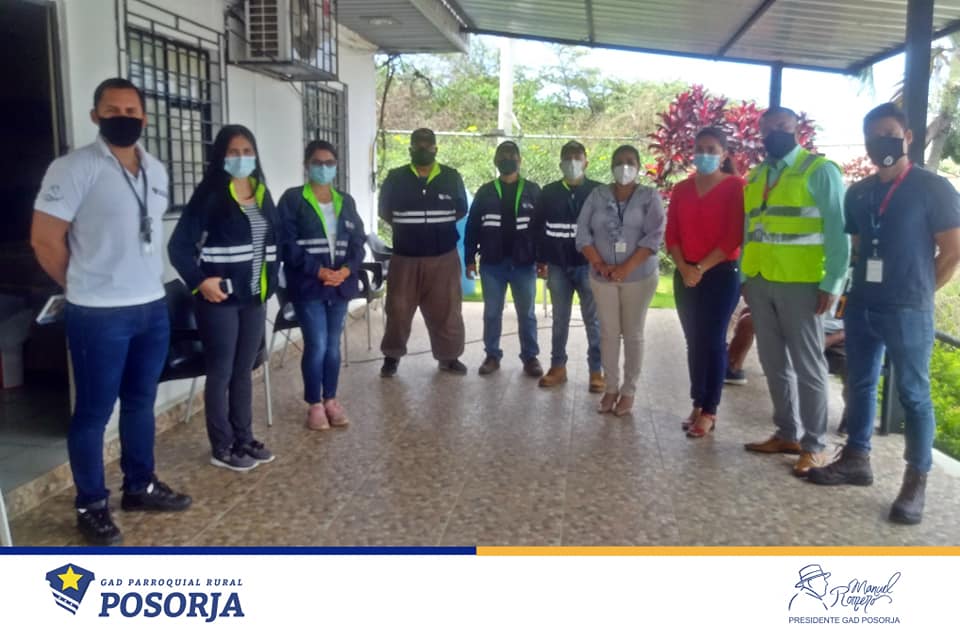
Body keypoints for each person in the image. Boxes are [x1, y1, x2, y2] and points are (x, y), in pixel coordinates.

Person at [31, 78, 191, 545]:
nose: (123, 117)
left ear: (144, 117)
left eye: (131, 110)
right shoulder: (73, 168)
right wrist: (81, 285)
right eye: (112, 110)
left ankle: (139, 485)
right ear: (95, 116)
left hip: (151, 307)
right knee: (94, 412)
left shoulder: (155, 169)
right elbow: (44, 240)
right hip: (99, 314)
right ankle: (92, 504)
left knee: (141, 402)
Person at [808, 103, 960, 525]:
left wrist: (918, 293)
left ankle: (916, 480)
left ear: (907, 137)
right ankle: (856, 458)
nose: (882, 142)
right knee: (858, 384)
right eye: (874, 136)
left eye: (890, 133)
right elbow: (859, 247)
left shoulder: (933, 188)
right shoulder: (858, 193)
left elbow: (952, 252)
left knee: (913, 394)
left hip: (908, 310)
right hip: (862, 305)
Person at [741, 106, 850, 478]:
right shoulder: (758, 175)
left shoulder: (819, 170)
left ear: (797, 128)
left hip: (803, 284)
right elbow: (751, 228)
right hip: (760, 280)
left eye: (783, 125)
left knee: (808, 365)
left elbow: (838, 231)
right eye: (767, 128)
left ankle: (814, 445)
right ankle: (786, 433)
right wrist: (745, 276)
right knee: (772, 363)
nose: (775, 132)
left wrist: (832, 283)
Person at [168, 125, 280, 472]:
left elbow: (272, 244)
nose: (241, 158)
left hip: (253, 299)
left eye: (247, 151)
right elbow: (178, 247)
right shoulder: (210, 196)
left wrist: (269, 287)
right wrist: (200, 282)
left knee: (243, 371)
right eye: (233, 152)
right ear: (220, 156)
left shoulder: (262, 194)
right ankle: (222, 446)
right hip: (219, 302)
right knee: (221, 372)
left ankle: (244, 438)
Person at [277, 141, 366, 430]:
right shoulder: (293, 200)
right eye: (318, 162)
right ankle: (314, 404)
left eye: (329, 163)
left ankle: (331, 399)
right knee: (316, 343)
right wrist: (318, 271)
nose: (324, 167)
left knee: (333, 346)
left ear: (336, 166)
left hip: (339, 284)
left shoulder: (346, 201)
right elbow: (286, 244)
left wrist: (346, 270)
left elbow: (358, 242)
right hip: (308, 285)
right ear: (307, 165)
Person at [666, 127, 745, 438]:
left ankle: (710, 409)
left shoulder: (736, 187)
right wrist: (684, 268)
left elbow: (733, 235)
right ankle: (697, 402)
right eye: (700, 148)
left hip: (720, 274)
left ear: (724, 154)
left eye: (712, 149)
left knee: (713, 340)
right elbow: (672, 234)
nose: (705, 154)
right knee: (694, 341)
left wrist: (699, 268)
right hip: (685, 273)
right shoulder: (681, 189)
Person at [575, 145, 665, 416]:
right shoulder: (597, 195)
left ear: (638, 166)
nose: (624, 167)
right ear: (611, 165)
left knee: (633, 334)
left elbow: (654, 235)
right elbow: (582, 232)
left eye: (630, 161)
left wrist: (626, 268)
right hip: (602, 276)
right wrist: (599, 264)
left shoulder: (649, 196)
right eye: (619, 161)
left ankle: (628, 391)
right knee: (609, 333)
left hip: (639, 276)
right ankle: (611, 388)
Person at [378, 128, 469, 377]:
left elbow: (461, 208)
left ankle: (449, 358)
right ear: (410, 149)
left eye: (428, 145)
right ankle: (391, 357)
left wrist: (435, 227)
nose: (423, 149)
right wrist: (412, 227)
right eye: (418, 145)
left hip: (443, 257)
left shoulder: (451, 177)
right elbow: (385, 211)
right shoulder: (396, 177)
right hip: (405, 258)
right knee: (398, 310)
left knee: (447, 310)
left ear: (435, 149)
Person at [464, 141, 543, 377]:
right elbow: (472, 227)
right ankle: (492, 355)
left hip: (524, 264)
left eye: (512, 155)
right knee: (492, 313)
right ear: (496, 161)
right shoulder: (485, 191)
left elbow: (541, 229)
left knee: (526, 314)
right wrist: (469, 259)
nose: (507, 159)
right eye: (502, 156)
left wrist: (543, 259)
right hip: (492, 264)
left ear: (520, 160)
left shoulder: (533, 190)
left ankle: (530, 357)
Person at [533, 140, 604, 392]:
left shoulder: (598, 192)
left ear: (586, 161)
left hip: (588, 266)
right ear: (561, 163)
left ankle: (596, 371)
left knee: (593, 320)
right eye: (568, 157)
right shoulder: (548, 192)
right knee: (559, 319)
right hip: (557, 266)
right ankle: (557, 367)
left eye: (577, 157)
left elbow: (607, 228)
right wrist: (541, 259)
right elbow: (538, 227)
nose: (573, 162)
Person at [726, 303, 850, 433]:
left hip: (836, 337)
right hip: (798, 328)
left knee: (852, 369)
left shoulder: (849, 292)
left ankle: (852, 416)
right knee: (748, 320)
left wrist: (830, 339)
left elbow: (857, 324)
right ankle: (733, 369)